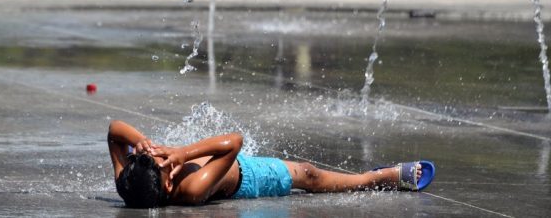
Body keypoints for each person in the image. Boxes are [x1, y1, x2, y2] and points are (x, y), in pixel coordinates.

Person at [108, 119, 435, 208]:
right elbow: (234, 143)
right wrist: (182, 154)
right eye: (164, 163)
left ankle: (370, 177)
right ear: (168, 184)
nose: (165, 157)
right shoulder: (190, 189)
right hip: (248, 178)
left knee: (308, 172)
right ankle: (374, 179)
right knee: (309, 174)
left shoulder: (129, 184)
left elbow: (114, 131)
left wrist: (144, 144)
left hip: (225, 162)